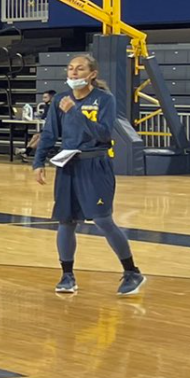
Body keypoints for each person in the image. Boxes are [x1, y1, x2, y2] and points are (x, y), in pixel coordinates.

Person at [34, 52, 144, 296]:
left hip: (95, 165)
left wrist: (75, 112)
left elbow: (104, 134)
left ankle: (132, 272)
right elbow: (50, 133)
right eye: (70, 68)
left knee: (103, 219)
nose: (73, 73)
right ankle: (67, 275)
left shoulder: (104, 100)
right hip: (67, 165)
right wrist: (38, 162)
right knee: (65, 221)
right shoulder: (60, 100)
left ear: (92, 74)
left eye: (80, 69)